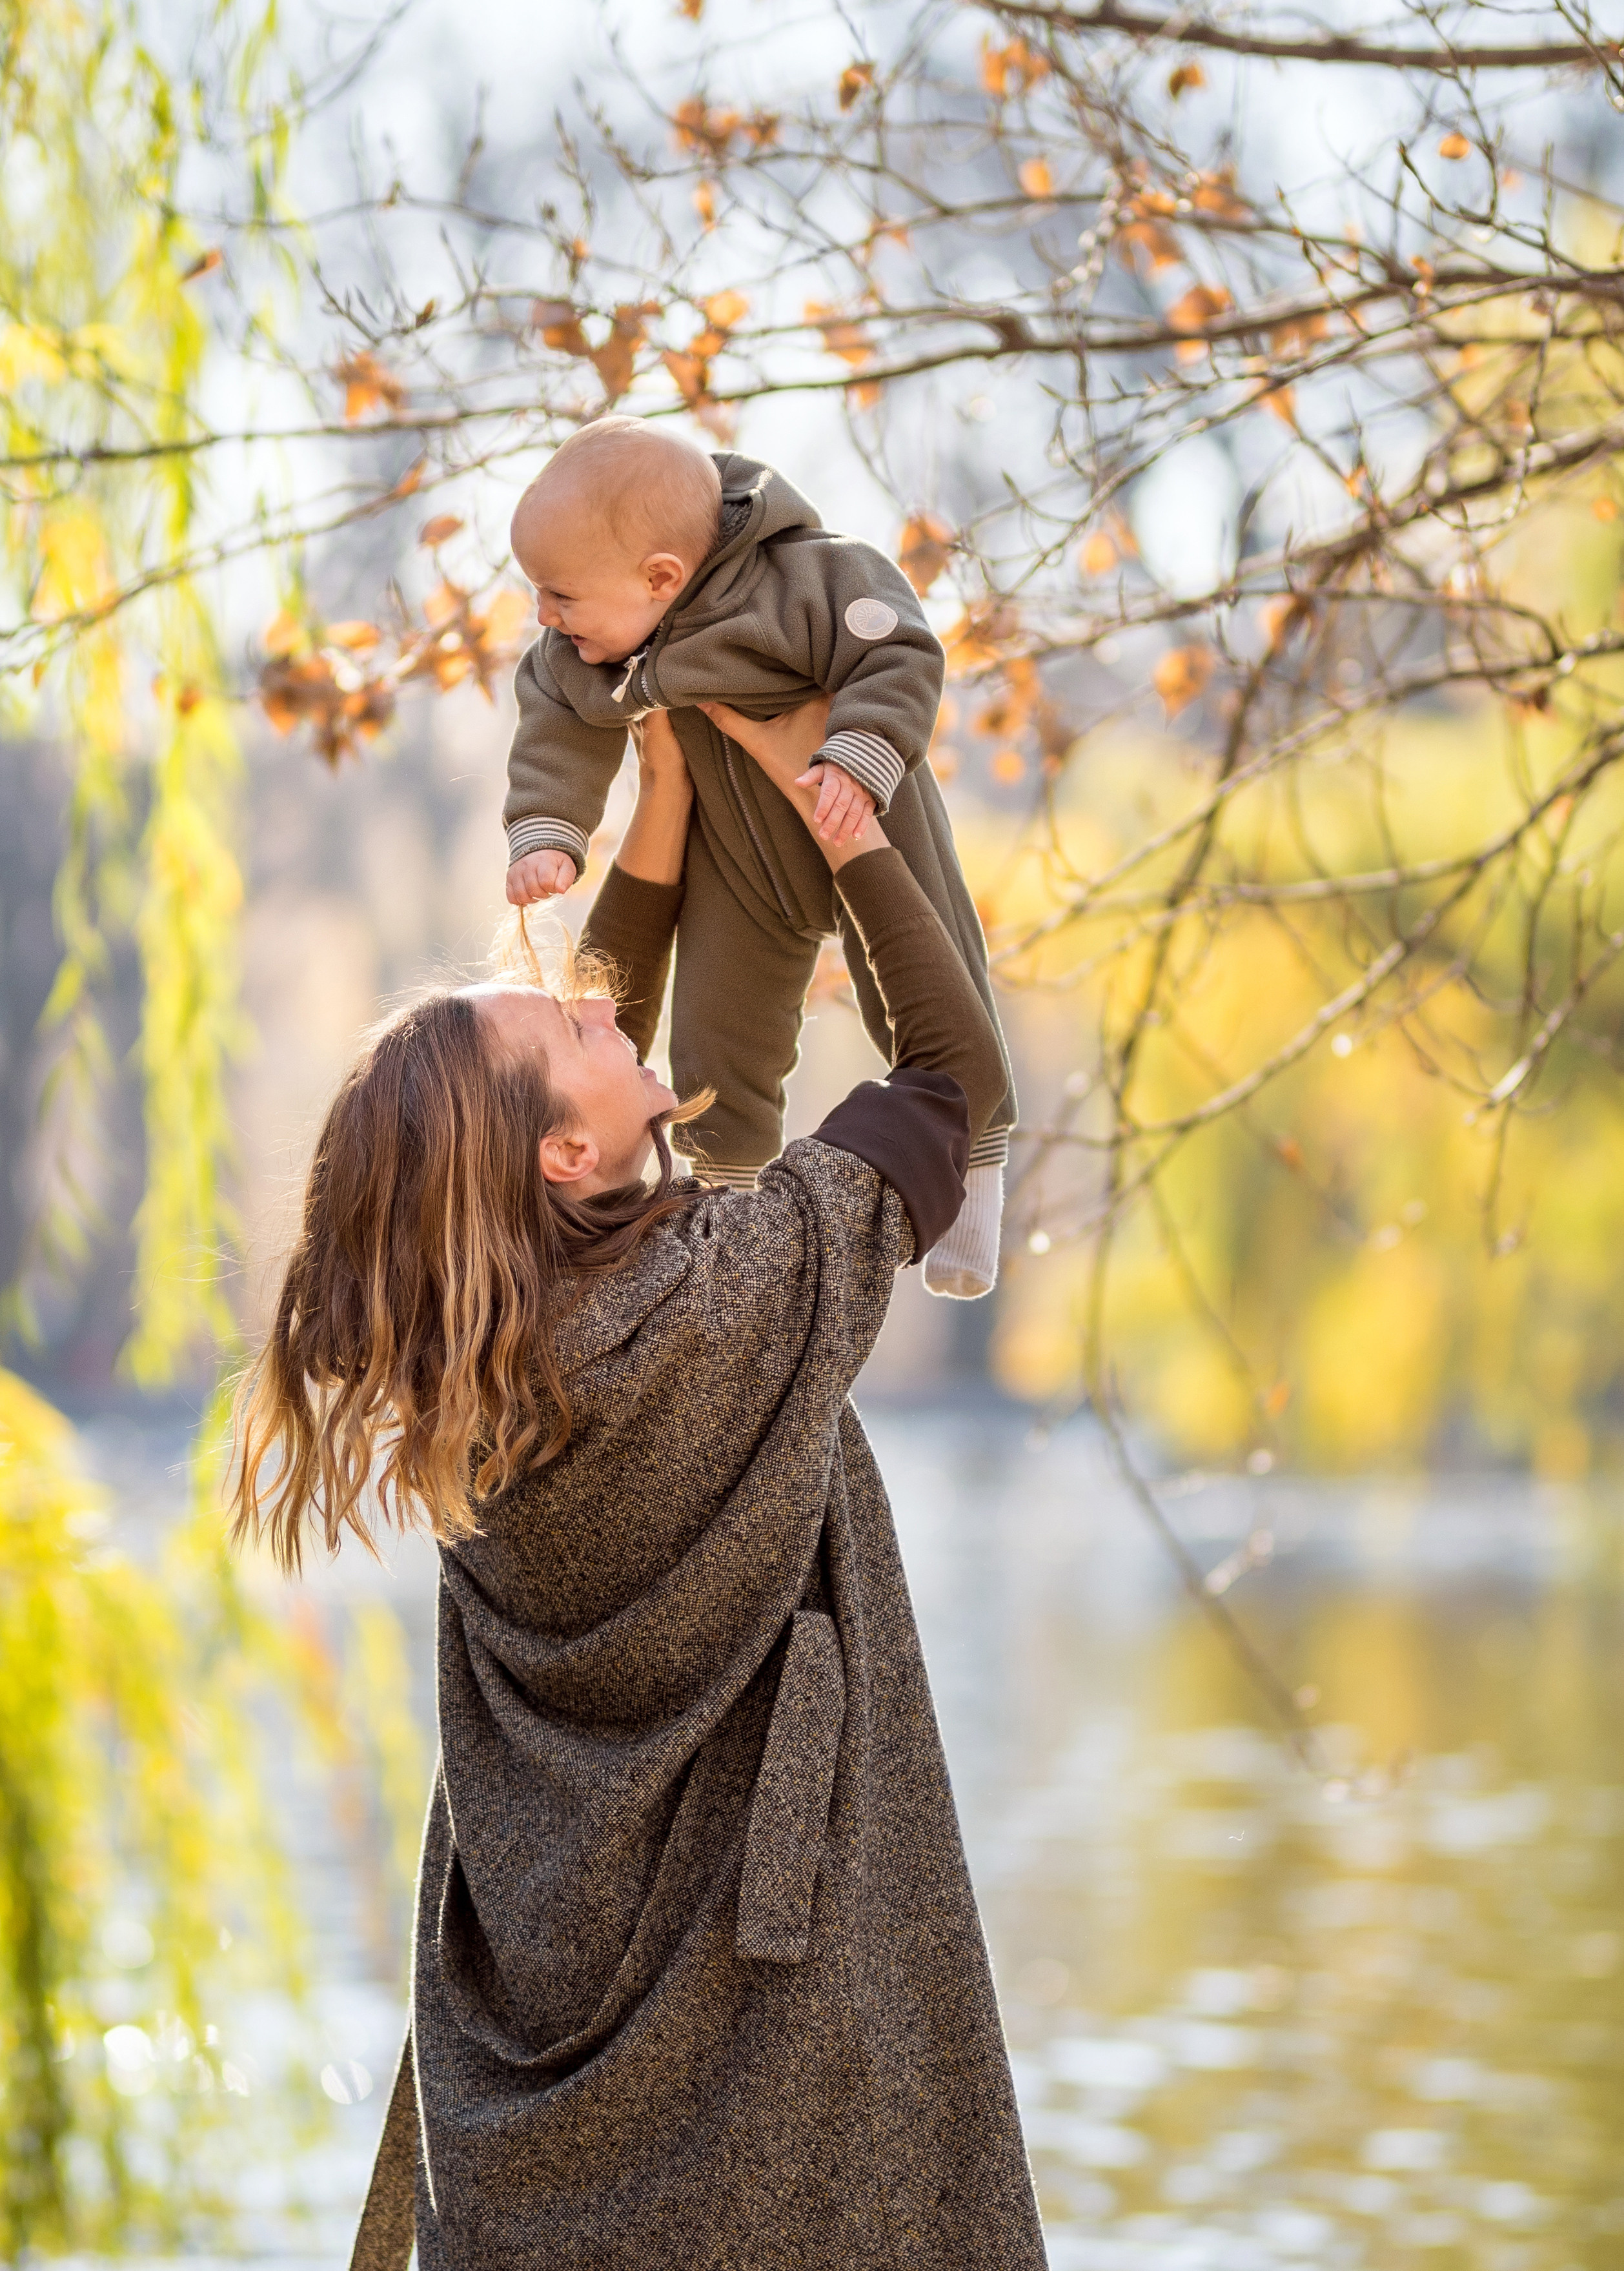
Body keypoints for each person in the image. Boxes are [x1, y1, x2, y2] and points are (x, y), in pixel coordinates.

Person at [230, 695, 1046, 2271]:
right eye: (575, 1031)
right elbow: (955, 1075)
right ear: (559, 1155)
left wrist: (661, 794)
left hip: (557, 2087)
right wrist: (859, 848)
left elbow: (589, 1056)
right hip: (775, 2025)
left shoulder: (474, 1394)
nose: (603, 1010)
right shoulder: (738, 1298)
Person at [500, 416, 1017, 1299]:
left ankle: (975, 1175)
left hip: (855, 797)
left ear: (660, 578)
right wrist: (548, 829)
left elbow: (897, 647)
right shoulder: (592, 646)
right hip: (735, 865)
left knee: (937, 979)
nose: (544, 616)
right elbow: (554, 714)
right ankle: (724, 1204)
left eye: (560, 595)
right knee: (718, 1027)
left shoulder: (808, 579)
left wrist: (858, 752)